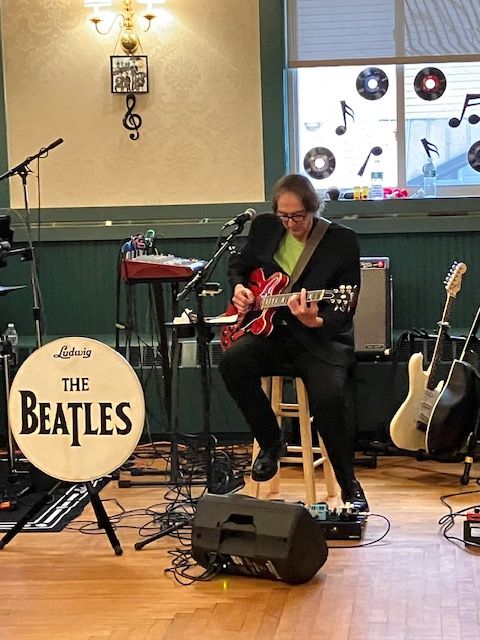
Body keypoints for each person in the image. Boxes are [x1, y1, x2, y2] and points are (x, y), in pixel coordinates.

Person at [218, 173, 368, 511]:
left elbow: (346, 302)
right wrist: (239, 287)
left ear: (313, 209)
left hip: (319, 338)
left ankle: (349, 485)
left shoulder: (341, 241)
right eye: (283, 216)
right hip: (271, 331)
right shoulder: (265, 227)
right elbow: (240, 263)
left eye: (298, 216)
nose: (290, 224)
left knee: (329, 399)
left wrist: (316, 320)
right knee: (232, 362)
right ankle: (272, 441)